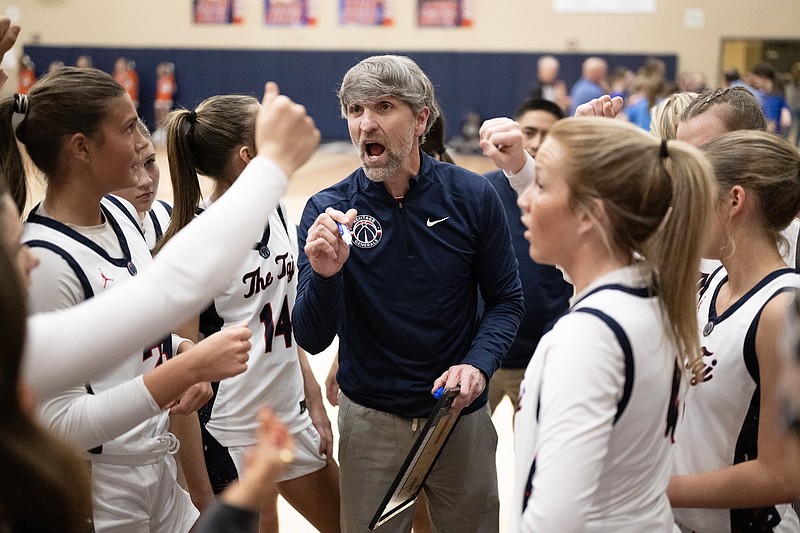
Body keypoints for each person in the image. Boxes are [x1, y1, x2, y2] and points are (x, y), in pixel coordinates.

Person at [0, 78, 320, 532]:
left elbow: (131, 328)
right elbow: (61, 423)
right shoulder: (47, 259)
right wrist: (181, 371)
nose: (141, 142)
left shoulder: (124, 216)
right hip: (103, 486)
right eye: (129, 127)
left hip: (157, 464)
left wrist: (175, 349)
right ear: (81, 148)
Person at [294, 54, 524, 533]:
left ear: (421, 119)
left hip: (458, 417)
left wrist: (478, 365)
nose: (366, 123)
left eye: (383, 106)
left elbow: (506, 299)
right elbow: (313, 338)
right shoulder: (328, 210)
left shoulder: (473, 196)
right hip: (370, 422)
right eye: (356, 110)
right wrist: (326, 275)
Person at [479, 113, 715, 531]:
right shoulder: (654, 293)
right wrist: (524, 166)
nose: (524, 200)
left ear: (590, 214)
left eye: (542, 185)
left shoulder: (587, 339)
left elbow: (555, 520)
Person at [159, 94, 340, 533]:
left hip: (288, 409)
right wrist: (199, 489)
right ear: (248, 157)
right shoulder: (200, 237)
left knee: (350, 523)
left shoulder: (275, 207)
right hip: (228, 425)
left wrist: (312, 395)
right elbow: (183, 366)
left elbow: (282, 314)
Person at [670, 130, 800, 531]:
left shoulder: (785, 309)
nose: (684, 213)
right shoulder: (708, 287)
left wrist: (655, 489)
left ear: (734, 201)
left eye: (694, 198)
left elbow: (784, 474)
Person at [482, 98, 572, 416]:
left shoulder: (571, 199)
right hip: (485, 357)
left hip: (544, 355)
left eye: (547, 134)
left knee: (534, 460)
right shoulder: (482, 193)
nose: (535, 143)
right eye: (529, 132)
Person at [677, 86, 800, 272]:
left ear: (753, 146)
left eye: (706, 155)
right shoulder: (681, 235)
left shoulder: (793, 244)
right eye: (683, 158)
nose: (690, 173)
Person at [113, 119, 171, 250]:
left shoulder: (170, 218)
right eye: (130, 168)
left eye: (149, 162)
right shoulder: (89, 241)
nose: (146, 181)